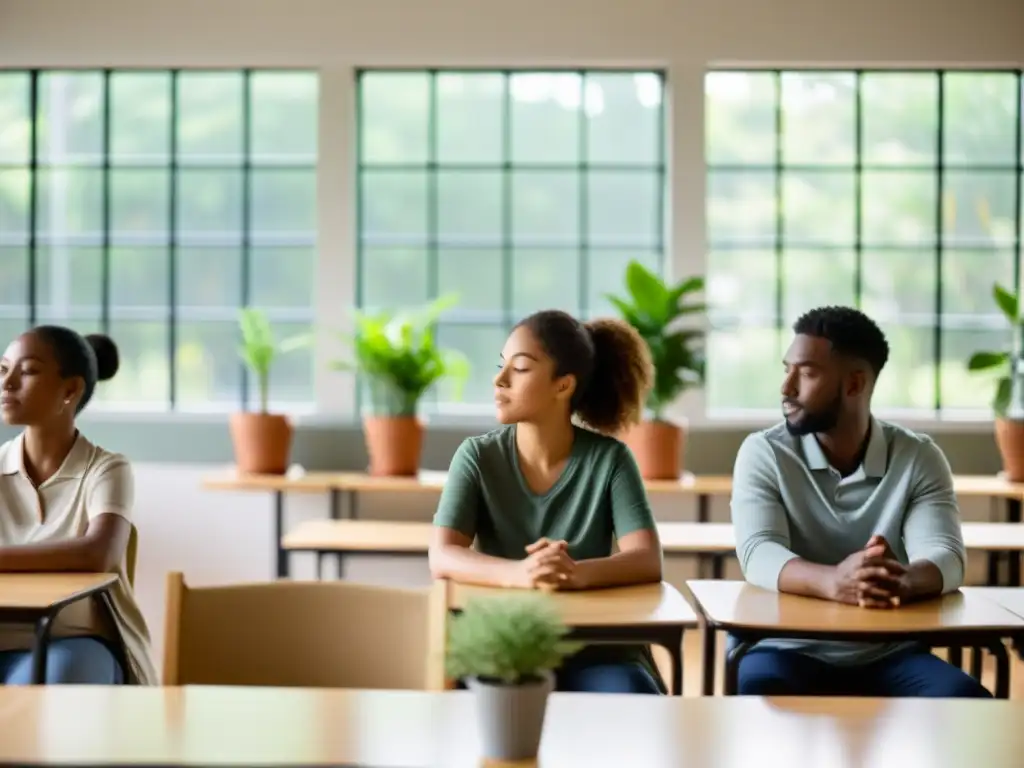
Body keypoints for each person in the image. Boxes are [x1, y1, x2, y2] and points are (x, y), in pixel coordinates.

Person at [730, 305, 989, 698]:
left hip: (891, 651)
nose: (787, 388)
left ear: (854, 384)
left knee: (967, 702)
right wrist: (835, 581)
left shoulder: (919, 457)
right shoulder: (763, 452)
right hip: (785, 647)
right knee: (762, 695)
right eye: (787, 369)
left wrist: (901, 579)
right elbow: (757, 552)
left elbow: (947, 557)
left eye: (807, 373)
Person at [429, 309, 666, 694]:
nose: (499, 379)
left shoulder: (610, 460)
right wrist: (520, 574)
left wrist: (572, 573)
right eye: (501, 366)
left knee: (633, 694)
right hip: (507, 646)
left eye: (519, 369)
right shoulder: (476, 456)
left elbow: (646, 559)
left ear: (563, 385)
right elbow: (442, 556)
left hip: (600, 650)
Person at [0, 325, 157, 685]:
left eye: (28, 371)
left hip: (72, 640)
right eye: (3, 369)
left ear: (70, 390)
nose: (7, 384)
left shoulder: (106, 469)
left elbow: (97, 553)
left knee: (45, 697)